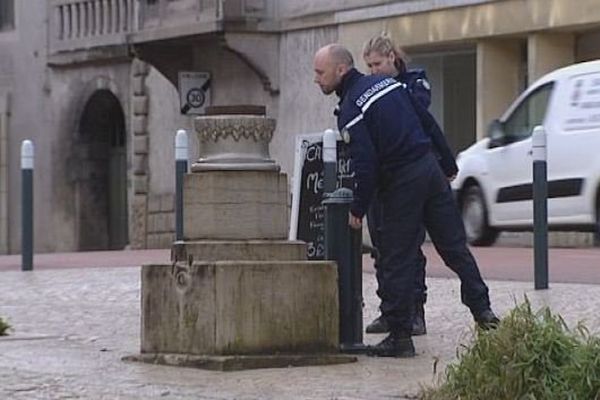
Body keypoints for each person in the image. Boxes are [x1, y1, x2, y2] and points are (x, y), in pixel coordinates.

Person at [313, 43, 499, 358]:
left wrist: (358, 207)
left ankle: (400, 337)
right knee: (454, 248)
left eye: (320, 72)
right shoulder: (389, 85)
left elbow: (366, 162)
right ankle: (485, 314)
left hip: (402, 180)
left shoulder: (351, 109)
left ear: (340, 70)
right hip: (429, 170)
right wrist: (448, 165)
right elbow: (427, 122)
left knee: (396, 256)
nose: (316, 79)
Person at [361, 34, 459, 336]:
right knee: (382, 247)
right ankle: (390, 310)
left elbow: (420, 117)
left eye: (377, 63)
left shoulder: (414, 83)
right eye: (369, 66)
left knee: (410, 248)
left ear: (392, 58)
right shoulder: (373, 89)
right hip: (383, 175)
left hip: (411, 173)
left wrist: (446, 163)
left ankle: (415, 312)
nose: (374, 71)